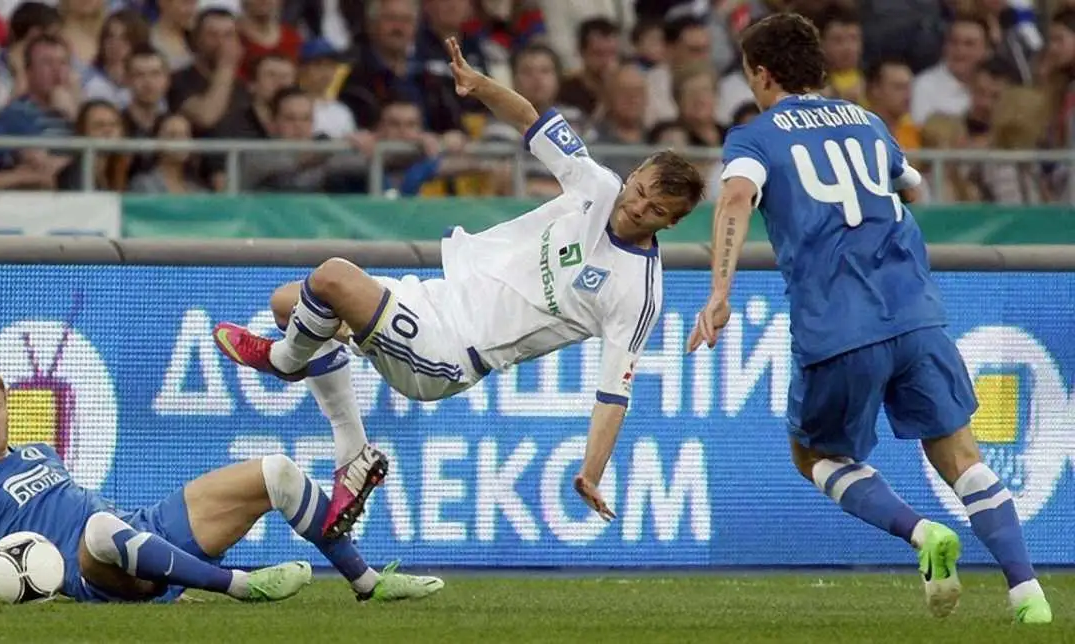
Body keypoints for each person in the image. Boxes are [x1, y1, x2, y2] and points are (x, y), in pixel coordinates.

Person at [213, 37, 706, 541]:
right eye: (639, 191)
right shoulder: (596, 185)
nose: (637, 208)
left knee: (332, 278)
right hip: (436, 298)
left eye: (655, 210)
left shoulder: (638, 291)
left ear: (673, 222)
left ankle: (284, 362)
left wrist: (592, 471)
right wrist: (479, 84)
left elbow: (614, 393)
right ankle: (353, 454)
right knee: (288, 305)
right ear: (634, 175)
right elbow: (530, 118)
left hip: (450, 352)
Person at [684, 13, 1051, 625]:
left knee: (815, 455)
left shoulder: (755, 137)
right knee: (962, 455)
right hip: (915, 312)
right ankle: (1028, 593)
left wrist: (719, 291)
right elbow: (912, 188)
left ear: (763, 74)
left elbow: (736, 196)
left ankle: (922, 533)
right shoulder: (869, 122)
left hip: (838, 323)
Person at [0, 366, 443, 605]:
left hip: (140, 532)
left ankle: (368, 582)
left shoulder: (40, 451)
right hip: (91, 573)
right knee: (100, 528)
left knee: (275, 471)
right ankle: (241, 586)